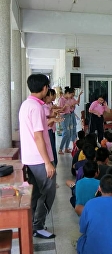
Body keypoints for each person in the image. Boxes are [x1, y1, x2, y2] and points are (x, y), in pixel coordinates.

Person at [19, 74, 57, 239]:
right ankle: (38, 226)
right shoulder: (35, 107)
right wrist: (47, 162)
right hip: (39, 159)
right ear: (44, 88)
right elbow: (38, 136)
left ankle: (33, 223)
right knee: (48, 192)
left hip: (30, 158)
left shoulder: (26, 104)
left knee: (35, 193)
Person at [58, 86, 73, 154]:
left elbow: (69, 108)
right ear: (67, 93)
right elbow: (60, 110)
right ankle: (60, 149)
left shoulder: (67, 99)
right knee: (66, 133)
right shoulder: (61, 99)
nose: (71, 96)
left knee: (69, 133)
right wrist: (65, 106)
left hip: (68, 116)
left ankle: (66, 148)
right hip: (63, 116)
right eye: (71, 94)